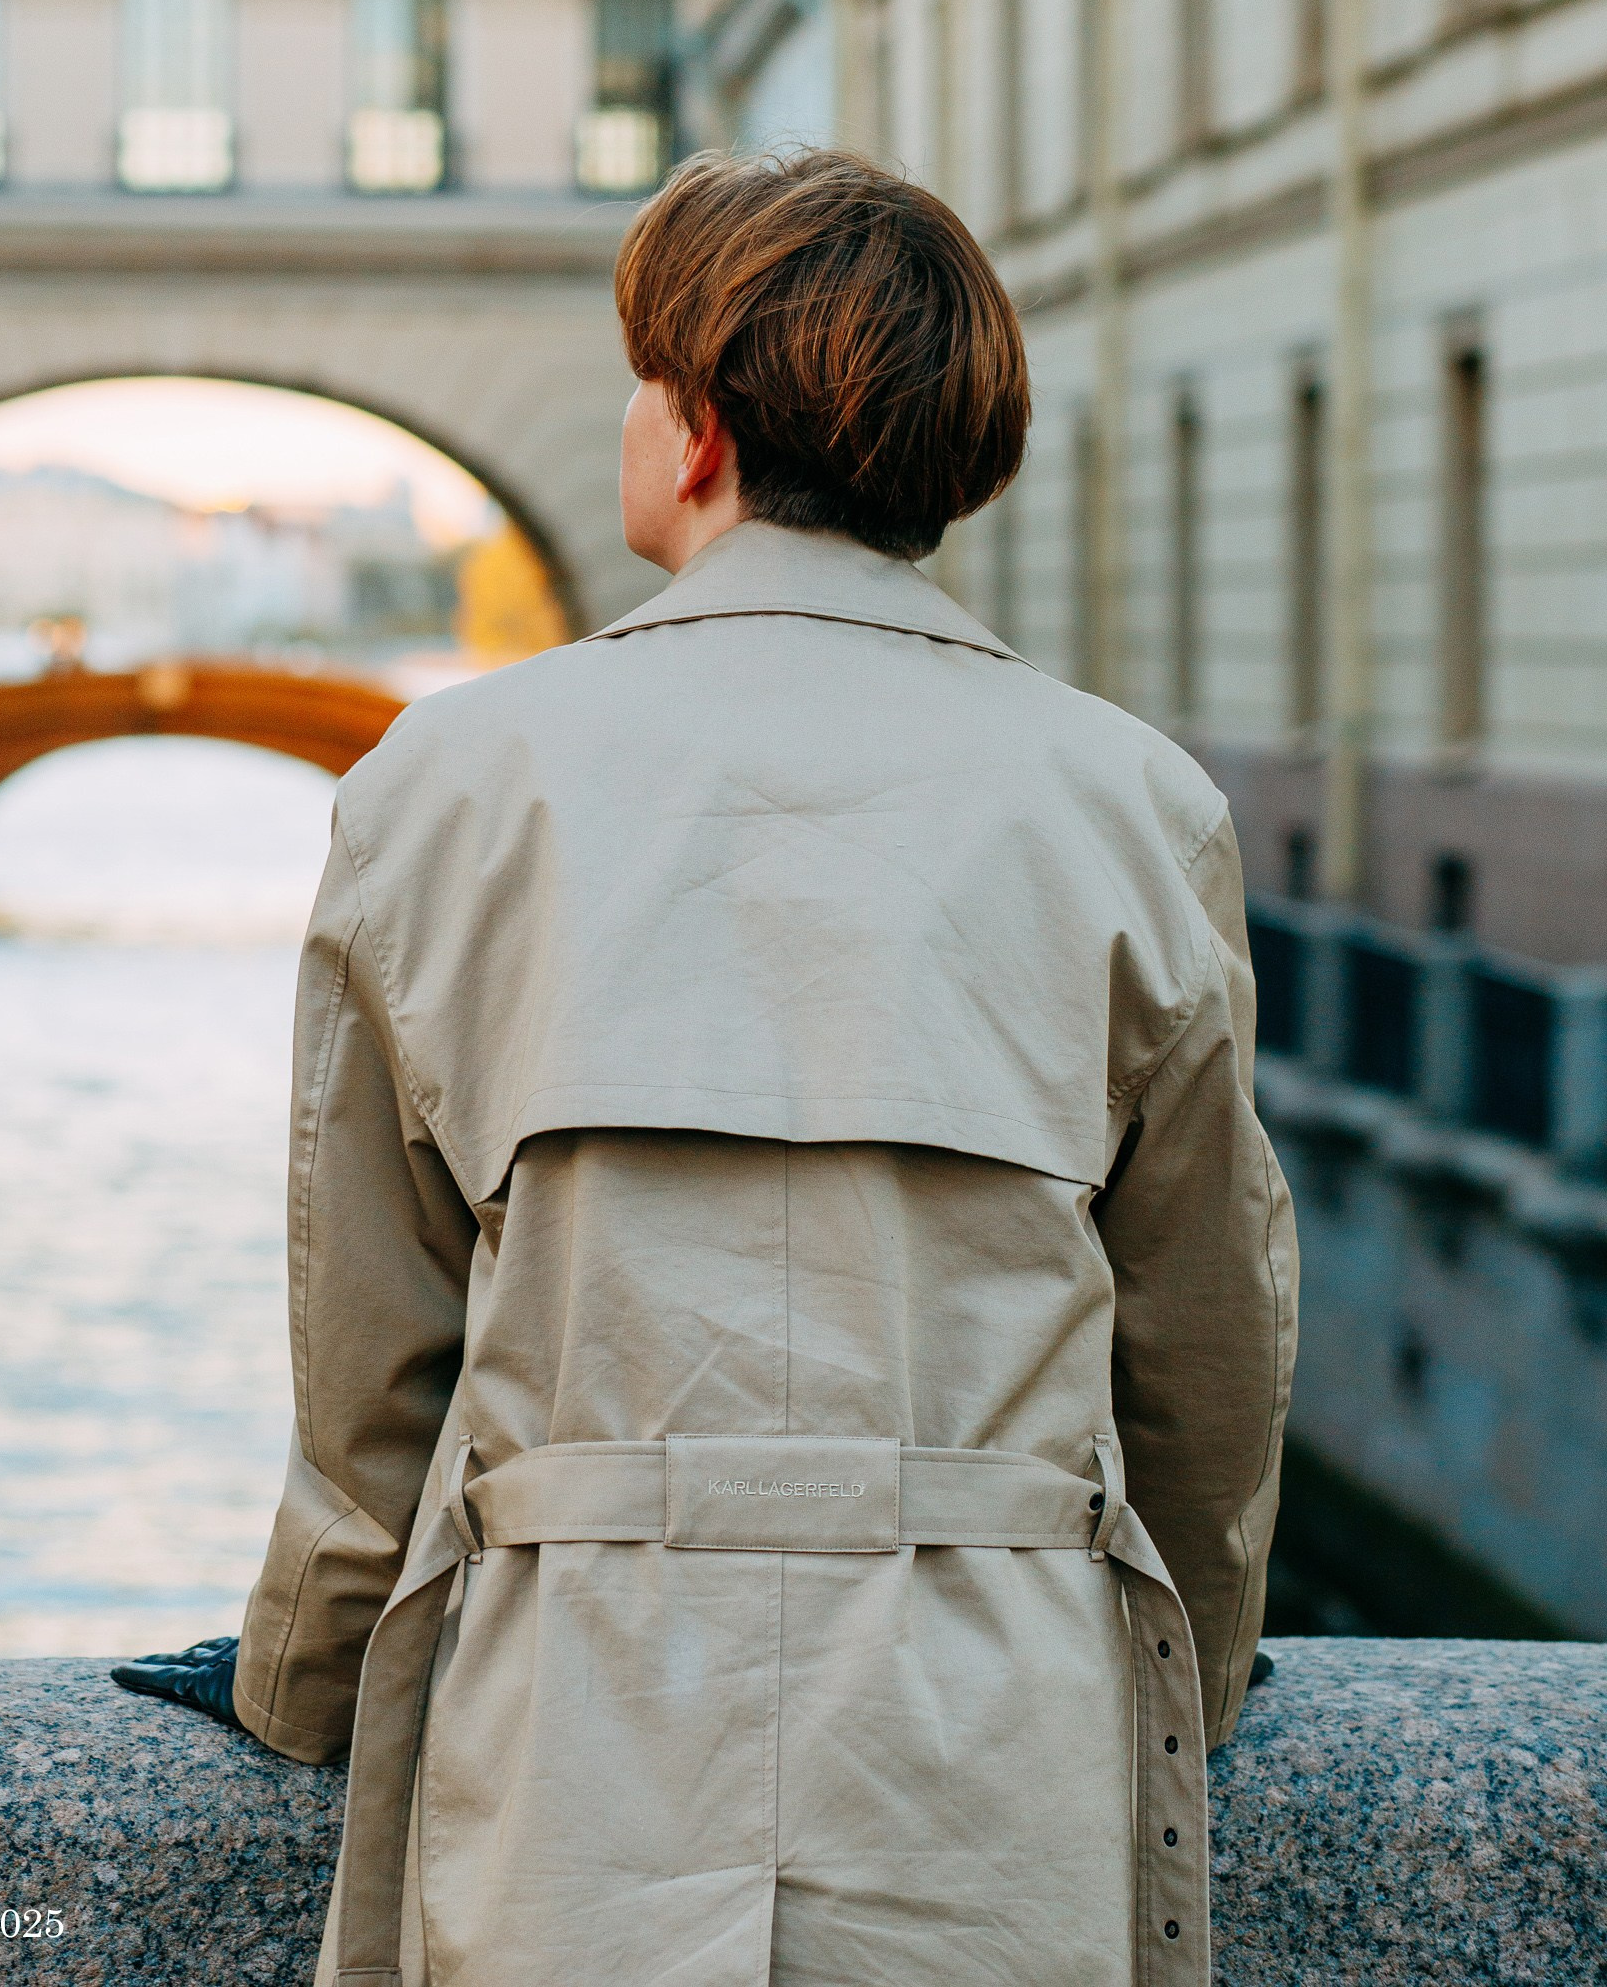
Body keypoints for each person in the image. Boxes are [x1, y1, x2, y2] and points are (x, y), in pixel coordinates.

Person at [116, 147, 1296, 1987]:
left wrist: (301, 1679)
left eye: (641, 377)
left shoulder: (450, 784)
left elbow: (375, 1357)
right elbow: (1206, 1342)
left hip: (574, 1739)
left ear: (699, 435)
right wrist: (1191, 1669)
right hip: (993, 1754)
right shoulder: (1135, 801)